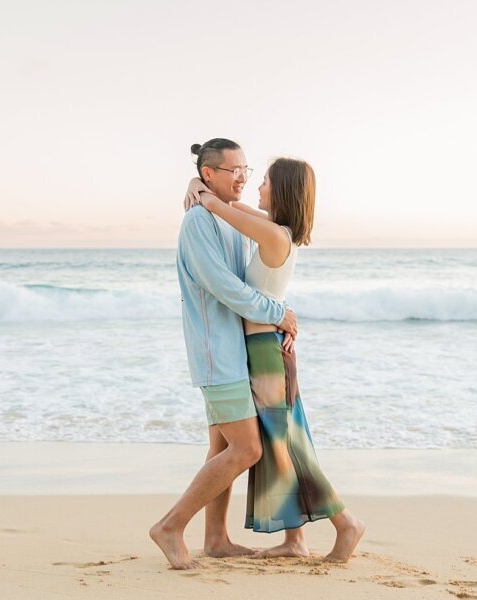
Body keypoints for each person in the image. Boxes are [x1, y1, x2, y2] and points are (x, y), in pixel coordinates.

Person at [184, 157, 366, 562]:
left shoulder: (273, 236)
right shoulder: (276, 231)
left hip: (266, 351)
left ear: (281, 190)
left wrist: (201, 191)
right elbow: (237, 209)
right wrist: (199, 182)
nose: (256, 187)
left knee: (288, 445)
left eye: (264, 181)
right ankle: (294, 540)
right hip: (262, 348)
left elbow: (221, 208)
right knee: (283, 443)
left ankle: (346, 523)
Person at [150, 138, 299, 570]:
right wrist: (279, 313)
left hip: (238, 350)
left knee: (220, 446)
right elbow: (225, 287)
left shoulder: (228, 217)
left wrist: (280, 314)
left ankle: (215, 539)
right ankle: (170, 526)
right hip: (219, 353)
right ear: (209, 174)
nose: (241, 177)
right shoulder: (199, 221)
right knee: (247, 449)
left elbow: (263, 259)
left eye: (245, 170)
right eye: (231, 170)